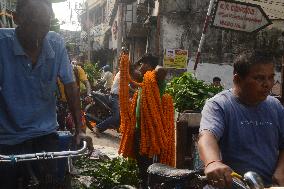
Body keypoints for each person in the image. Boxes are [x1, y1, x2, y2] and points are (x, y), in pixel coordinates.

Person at [0, 0, 85, 188]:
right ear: (17, 19)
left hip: (45, 133)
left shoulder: (55, 42)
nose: (39, 33)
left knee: (52, 182)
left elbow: (70, 86)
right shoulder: (2, 44)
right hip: (7, 137)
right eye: (33, 24)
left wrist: (79, 130)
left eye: (45, 26)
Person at [198, 50, 284, 188]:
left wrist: (281, 172)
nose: (267, 84)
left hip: (268, 185)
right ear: (237, 80)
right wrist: (213, 163)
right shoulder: (219, 105)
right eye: (259, 78)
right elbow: (207, 136)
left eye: (271, 77)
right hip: (233, 185)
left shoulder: (275, 106)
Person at [134, 53, 167, 189]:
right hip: (139, 128)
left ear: (149, 65)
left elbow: (162, 70)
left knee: (148, 164)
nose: (140, 67)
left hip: (149, 131)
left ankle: (149, 184)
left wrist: (155, 67)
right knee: (140, 161)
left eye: (143, 64)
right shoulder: (144, 81)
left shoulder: (156, 79)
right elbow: (133, 73)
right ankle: (143, 183)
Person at [93, 70, 120, 136]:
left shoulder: (119, 72)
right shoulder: (122, 74)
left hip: (114, 93)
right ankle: (98, 127)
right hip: (115, 96)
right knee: (116, 116)